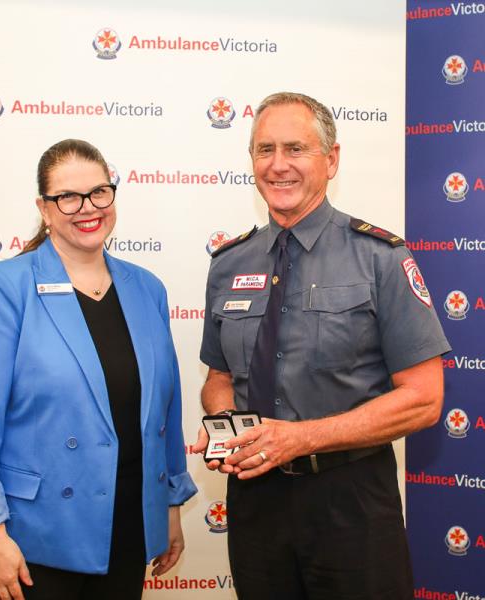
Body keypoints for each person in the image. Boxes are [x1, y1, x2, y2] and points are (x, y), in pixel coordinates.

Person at [193, 92, 450, 599]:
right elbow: (219, 381)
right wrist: (226, 429)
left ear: (331, 160)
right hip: (256, 503)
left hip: (350, 502)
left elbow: (425, 398)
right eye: (264, 150)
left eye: (296, 149)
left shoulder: (379, 258)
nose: (278, 165)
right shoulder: (228, 264)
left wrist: (301, 438)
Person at [0, 139, 197, 600]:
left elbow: (164, 409)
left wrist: (169, 503)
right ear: (44, 207)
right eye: (67, 197)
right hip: (26, 540)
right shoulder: (3, 288)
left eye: (99, 192)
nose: (87, 208)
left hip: (124, 529)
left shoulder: (146, 289)